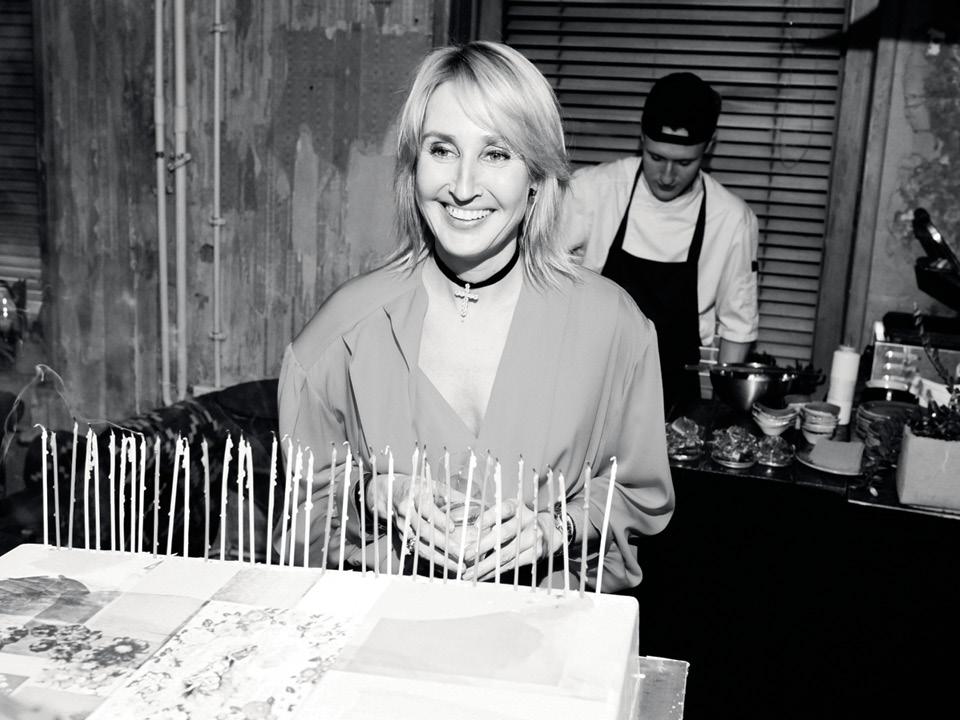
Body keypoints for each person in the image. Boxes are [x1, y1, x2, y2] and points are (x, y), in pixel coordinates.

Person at [276, 41, 673, 592]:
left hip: (543, 635)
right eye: (442, 149)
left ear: (536, 175)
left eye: (496, 154)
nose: (462, 188)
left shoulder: (613, 329)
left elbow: (635, 496)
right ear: (414, 165)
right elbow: (303, 521)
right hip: (388, 635)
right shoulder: (341, 335)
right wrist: (374, 495)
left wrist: (555, 528)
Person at [561, 72, 759, 418]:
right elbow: (539, 277)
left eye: (684, 163)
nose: (667, 176)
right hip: (588, 384)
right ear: (641, 138)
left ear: (709, 147)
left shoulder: (731, 220)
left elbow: (737, 328)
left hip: (676, 397)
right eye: (655, 157)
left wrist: (723, 414)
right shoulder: (594, 191)